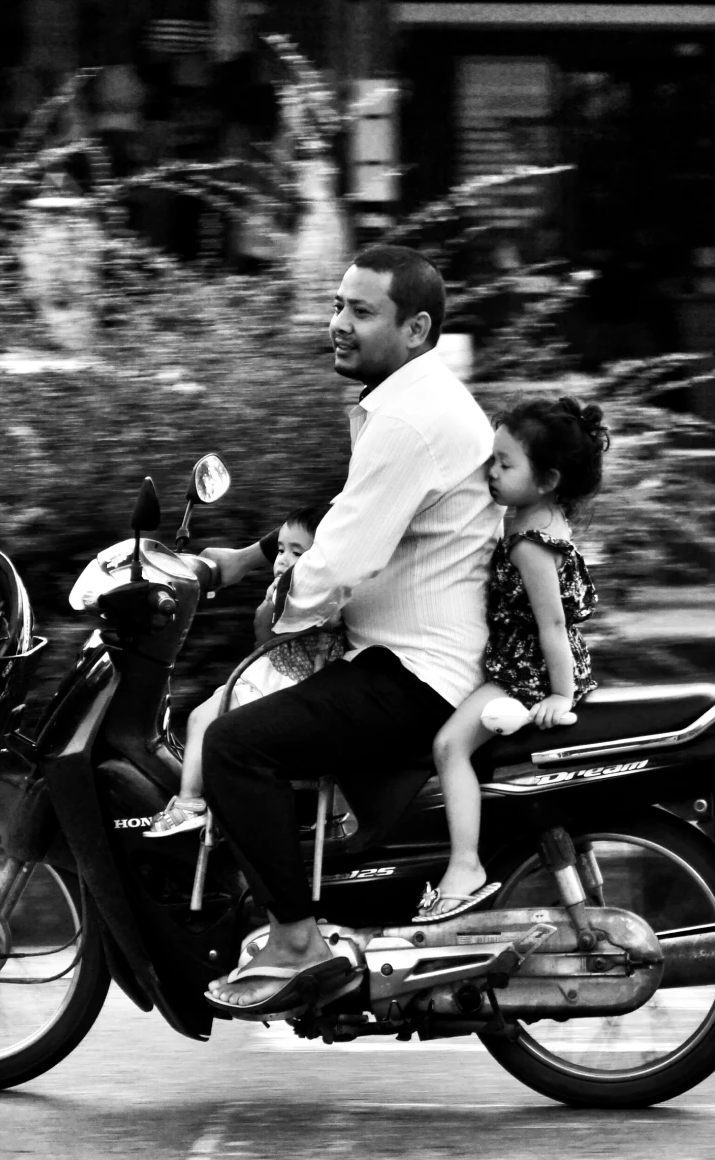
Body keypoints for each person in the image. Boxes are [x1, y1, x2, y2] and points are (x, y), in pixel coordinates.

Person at [193, 245, 497, 1017]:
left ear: (418, 327)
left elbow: (344, 556)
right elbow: (351, 507)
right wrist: (245, 558)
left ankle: (296, 942)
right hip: (414, 655)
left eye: (361, 312)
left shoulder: (407, 416)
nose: (337, 324)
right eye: (337, 305)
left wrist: (277, 617)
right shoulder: (411, 400)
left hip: (416, 672)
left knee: (233, 745)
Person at [417, 397, 611, 923]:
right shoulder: (536, 514)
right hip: (521, 663)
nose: (492, 473)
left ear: (547, 479)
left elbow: (552, 625)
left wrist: (559, 694)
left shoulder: (528, 540)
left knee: (448, 746)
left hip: (525, 674)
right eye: (492, 459)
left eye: (505, 464)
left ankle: (464, 866)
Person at [145, 501, 341, 839]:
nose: (282, 559)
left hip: (289, 687)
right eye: (280, 549)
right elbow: (263, 638)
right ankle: (209, 802)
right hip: (268, 674)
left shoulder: (324, 596)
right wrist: (268, 607)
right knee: (202, 717)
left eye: (297, 552)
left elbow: (310, 622)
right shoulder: (282, 591)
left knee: (202, 721)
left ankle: (190, 802)